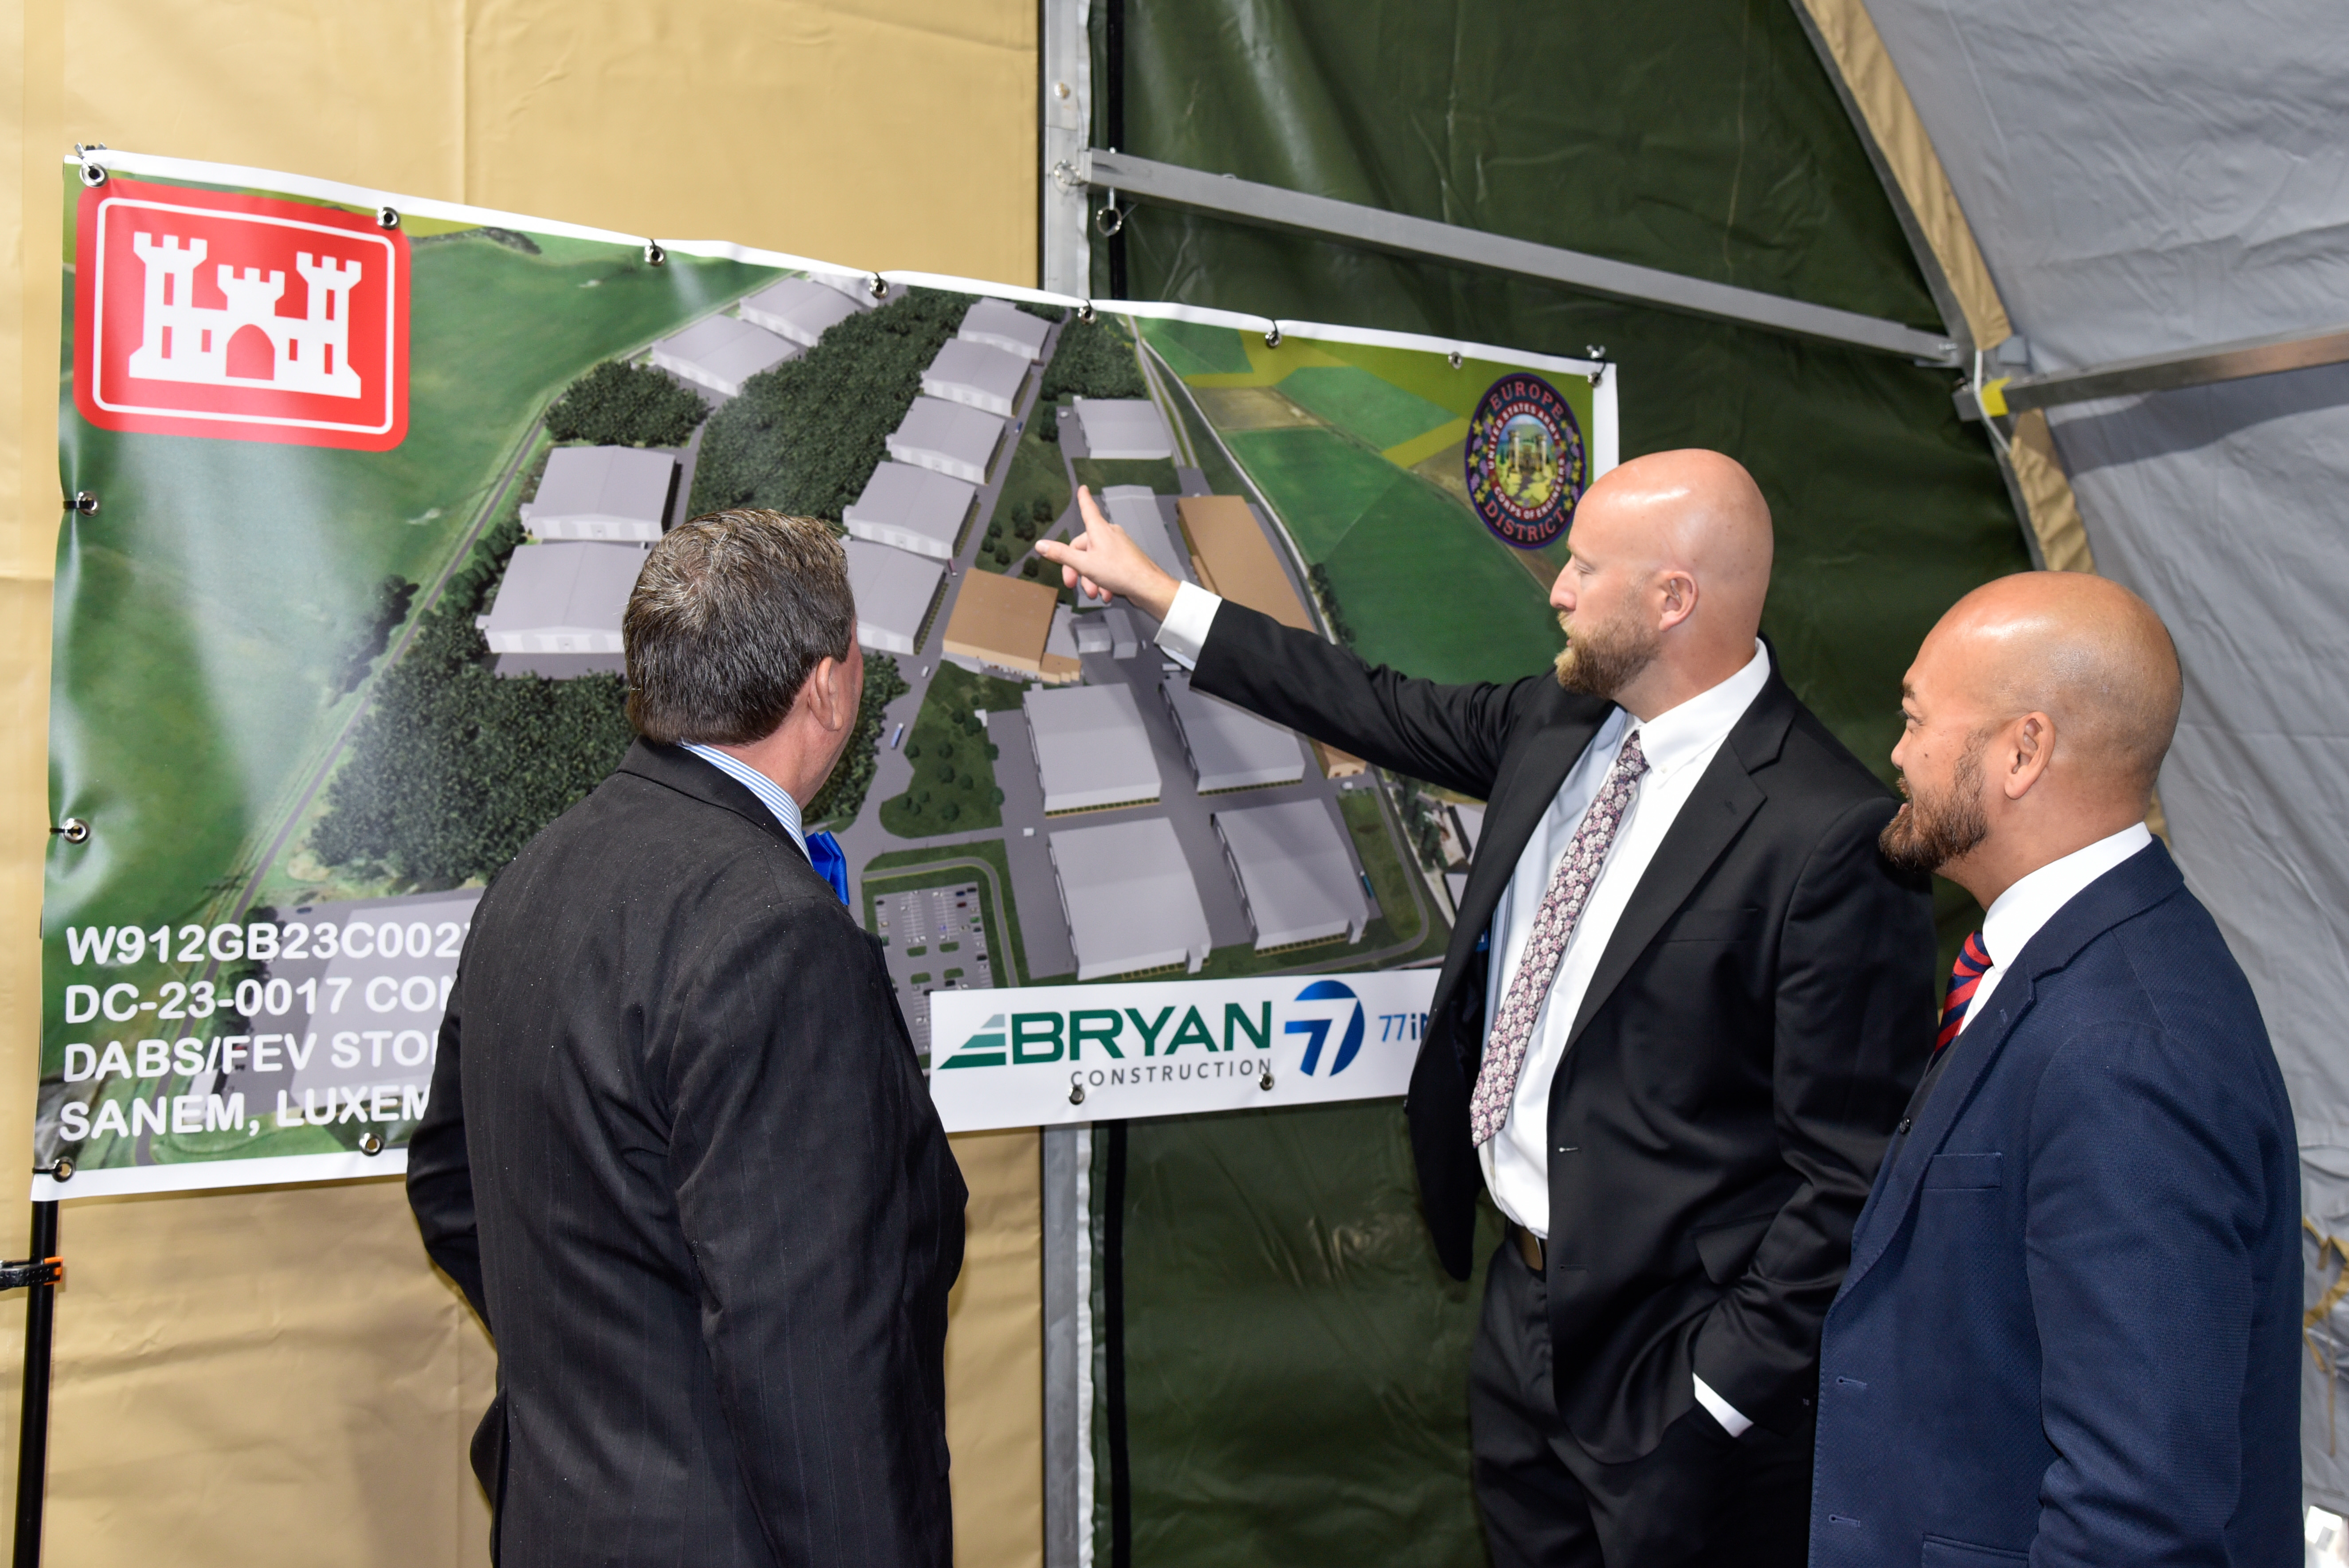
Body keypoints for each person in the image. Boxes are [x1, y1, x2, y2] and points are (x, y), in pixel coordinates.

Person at [1037, 451, 1936, 1566]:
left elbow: (1850, 1177)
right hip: (1522, 1316)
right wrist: (1161, 593)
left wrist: (1717, 1392)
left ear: (1673, 598)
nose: (1558, 590)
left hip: (1678, 1361)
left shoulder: (1829, 835)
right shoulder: (1558, 721)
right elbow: (1367, 701)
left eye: (1585, 568)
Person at [407, 509, 967, 1568]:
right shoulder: (776, 936)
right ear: (827, 685)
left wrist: (613, 1355)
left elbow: (448, 1183)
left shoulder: (535, 874)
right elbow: (818, 1357)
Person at [1811, 572, 2298, 1564]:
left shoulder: (2126, 1047)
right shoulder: (2070, 964)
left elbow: (2139, 1512)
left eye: (1915, 718)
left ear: (2022, 751)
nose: (1897, 752)